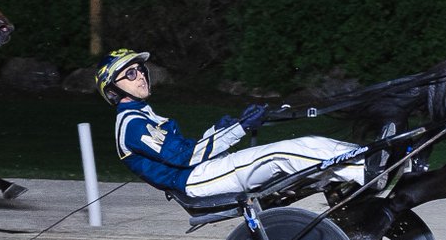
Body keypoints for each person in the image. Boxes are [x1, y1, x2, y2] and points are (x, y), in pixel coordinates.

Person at [95, 49, 381, 198]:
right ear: (113, 90)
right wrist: (239, 129)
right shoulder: (131, 125)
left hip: (200, 172)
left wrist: (219, 131)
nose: (141, 76)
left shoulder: (143, 115)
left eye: (140, 69)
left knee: (307, 144)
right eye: (130, 74)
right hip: (194, 181)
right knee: (282, 154)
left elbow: (185, 149)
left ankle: (371, 157)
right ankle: (368, 171)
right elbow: (185, 156)